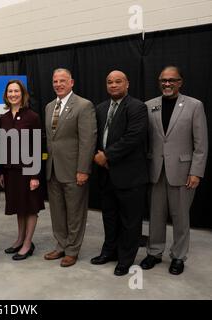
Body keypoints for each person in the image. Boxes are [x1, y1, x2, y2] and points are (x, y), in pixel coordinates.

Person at [140, 66, 208, 275]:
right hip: (156, 170)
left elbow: (201, 143)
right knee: (156, 214)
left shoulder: (194, 105)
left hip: (183, 171)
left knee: (180, 217)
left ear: (180, 82)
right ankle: (154, 251)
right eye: (163, 80)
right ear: (159, 82)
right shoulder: (149, 106)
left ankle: (178, 256)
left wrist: (196, 172)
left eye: (172, 80)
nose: (167, 84)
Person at [91, 70, 148, 276]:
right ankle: (110, 252)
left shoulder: (137, 107)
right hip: (106, 175)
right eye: (109, 82)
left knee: (130, 221)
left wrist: (107, 156)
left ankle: (125, 259)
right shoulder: (100, 108)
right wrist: (98, 158)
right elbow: (95, 137)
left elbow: (134, 137)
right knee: (110, 217)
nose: (113, 85)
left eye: (118, 81)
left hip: (130, 176)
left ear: (127, 84)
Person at [43, 68, 97, 267]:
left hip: (74, 170)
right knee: (57, 212)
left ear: (71, 82)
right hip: (53, 169)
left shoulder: (84, 106)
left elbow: (87, 141)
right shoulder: (49, 106)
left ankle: (72, 250)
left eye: (62, 80)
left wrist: (83, 169)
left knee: (75, 213)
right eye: (55, 81)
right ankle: (61, 245)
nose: (58, 84)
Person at [0, 80, 45, 261]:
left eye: (16, 91)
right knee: (19, 206)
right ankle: (19, 239)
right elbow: (2, 145)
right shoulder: (3, 118)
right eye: (10, 91)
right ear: (6, 95)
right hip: (11, 172)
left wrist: (35, 175)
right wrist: (2, 171)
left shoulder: (32, 116)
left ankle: (27, 244)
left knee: (31, 207)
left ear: (22, 94)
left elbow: (38, 147)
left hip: (28, 170)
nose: (13, 94)